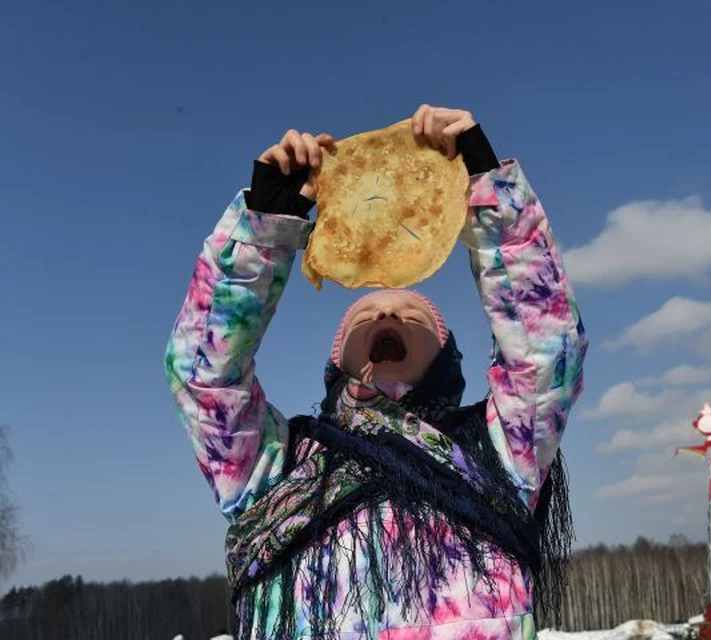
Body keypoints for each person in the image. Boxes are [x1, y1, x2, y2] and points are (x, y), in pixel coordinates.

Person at [164, 104, 587, 640]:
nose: (386, 313)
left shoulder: (500, 452)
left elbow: (547, 348)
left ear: (446, 359)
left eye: (412, 315)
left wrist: (489, 190)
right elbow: (203, 378)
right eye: (365, 315)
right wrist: (261, 231)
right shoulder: (274, 467)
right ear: (336, 363)